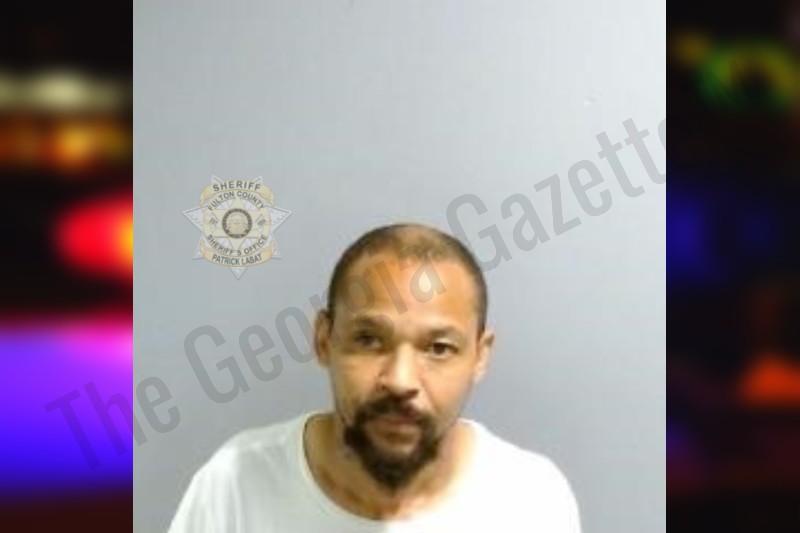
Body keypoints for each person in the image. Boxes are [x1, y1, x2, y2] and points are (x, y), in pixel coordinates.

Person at [168, 223, 581, 532]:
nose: (400, 381)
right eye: (369, 340)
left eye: (438, 348)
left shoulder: (531, 498)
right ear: (324, 340)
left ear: (480, 356)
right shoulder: (235, 482)